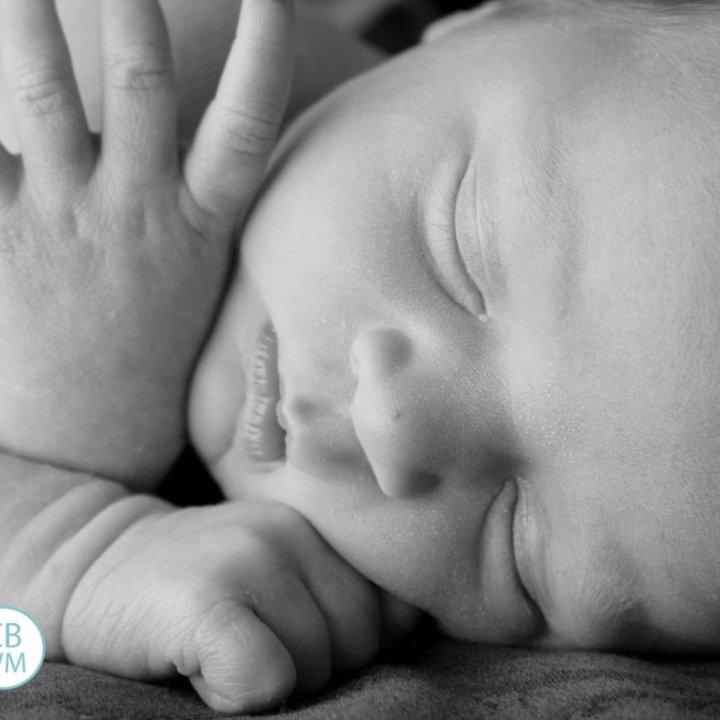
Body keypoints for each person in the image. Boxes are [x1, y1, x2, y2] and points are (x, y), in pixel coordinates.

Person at [2, 0, 720, 714]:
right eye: (459, 253)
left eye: (518, 552)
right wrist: (56, 537)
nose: (389, 428)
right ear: (489, 23)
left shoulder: (289, 607)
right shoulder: (150, 79)